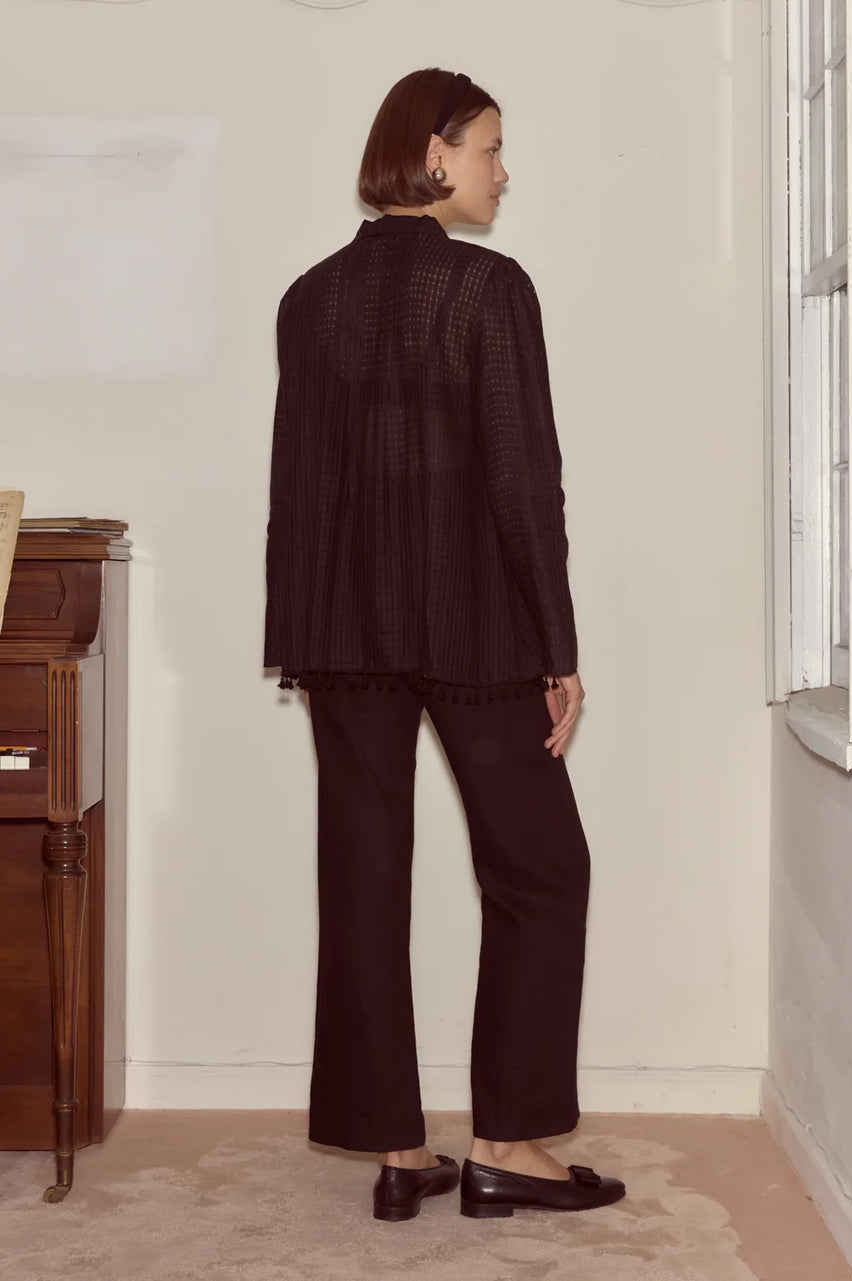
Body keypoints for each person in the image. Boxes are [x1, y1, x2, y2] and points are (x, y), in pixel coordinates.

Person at [264, 68, 625, 1222]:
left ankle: (394, 1150)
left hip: (345, 632)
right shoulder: (489, 289)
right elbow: (525, 483)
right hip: (475, 627)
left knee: (363, 879)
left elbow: (301, 488)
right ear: (432, 154)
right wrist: (557, 644)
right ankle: (507, 1144)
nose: (500, 171)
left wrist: (302, 631)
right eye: (488, 149)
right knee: (540, 870)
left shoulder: (308, 297)